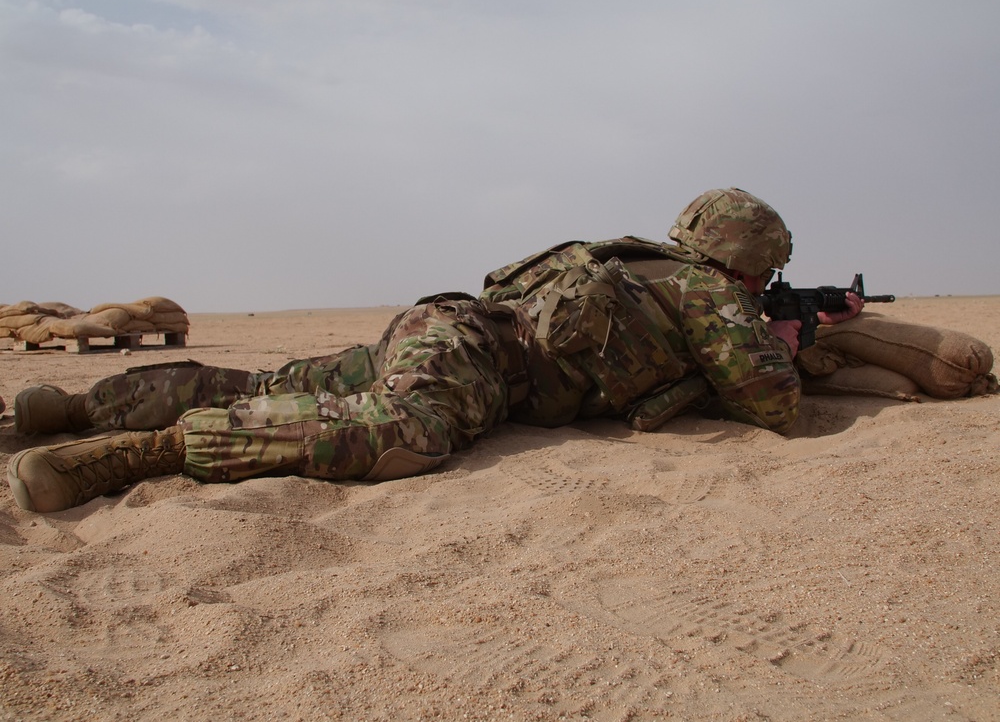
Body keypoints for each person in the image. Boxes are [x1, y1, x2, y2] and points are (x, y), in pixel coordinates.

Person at [7, 188, 863, 513]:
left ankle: (76, 403)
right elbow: (770, 406)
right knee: (399, 435)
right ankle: (134, 452)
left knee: (277, 378)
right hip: (472, 364)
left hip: (443, 324)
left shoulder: (633, 258)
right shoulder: (712, 294)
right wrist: (789, 345)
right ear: (751, 261)